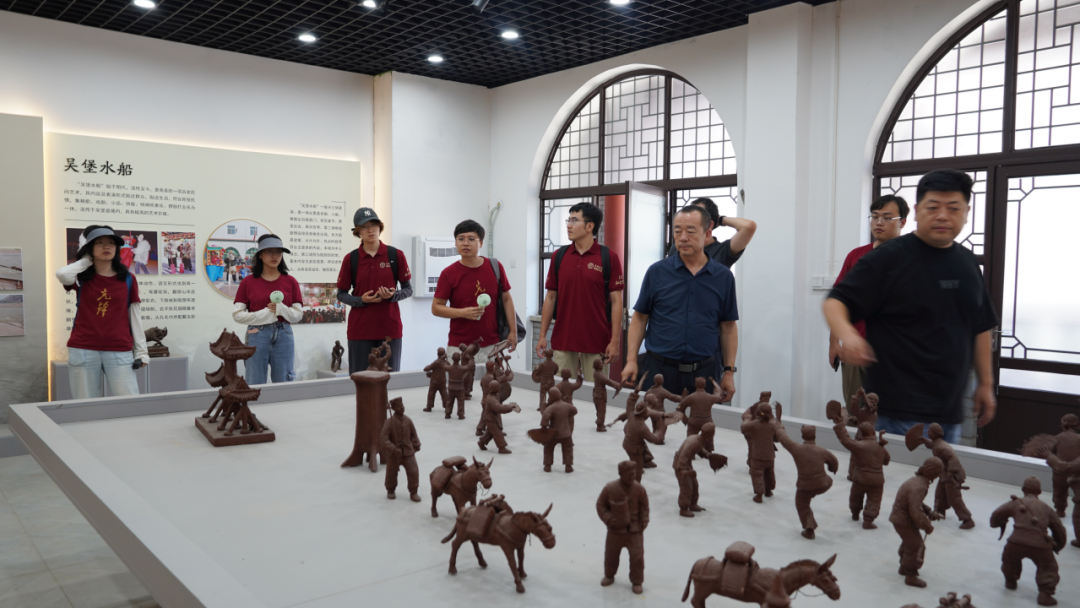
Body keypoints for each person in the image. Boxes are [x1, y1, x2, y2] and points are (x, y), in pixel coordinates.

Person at [824, 170, 999, 441]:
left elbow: (980, 326)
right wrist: (847, 336)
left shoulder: (967, 263)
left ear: (967, 213)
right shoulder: (888, 258)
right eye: (933, 207)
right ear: (917, 212)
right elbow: (835, 302)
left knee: (944, 468)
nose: (943, 216)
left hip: (948, 411)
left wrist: (986, 383)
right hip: (895, 411)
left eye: (953, 208)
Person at [622, 205, 738, 400]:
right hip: (659, 370)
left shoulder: (723, 277)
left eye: (690, 231)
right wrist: (631, 360)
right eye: (677, 231)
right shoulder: (657, 272)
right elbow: (640, 318)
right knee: (653, 418)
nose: (683, 238)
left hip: (705, 372)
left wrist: (728, 372)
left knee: (700, 419)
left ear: (707, 233)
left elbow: (728, 327)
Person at [665, 197, 755, 394]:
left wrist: (720, 219)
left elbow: (749, 226)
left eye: (697, 218)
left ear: (709, 225)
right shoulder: (678, 247)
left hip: (705, 341)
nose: (684, 234)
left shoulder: (723, 250)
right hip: (673, 340)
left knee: (702, 403)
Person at [828, 195, 908, 408]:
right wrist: (834, 342)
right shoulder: (856, 256)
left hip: (893, 354)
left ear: (902, 222)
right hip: (855, 349)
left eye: (887, 217)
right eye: (875, 217)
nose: (879, 222)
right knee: (856, 412)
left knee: (888, 415)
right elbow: (839, 301)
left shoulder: (910, 258)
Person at [55, 225, 149, 398]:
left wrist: (142, 351)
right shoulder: (81, 277)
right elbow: (62, 274)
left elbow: (134, 316)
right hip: (83, 348)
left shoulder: (128, 279)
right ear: (89, 248)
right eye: (99, 243)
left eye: (111, 243)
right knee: (84, 404)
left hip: (119, 348)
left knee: (129, 402)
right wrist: (87, 260)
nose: (106, 246)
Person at [536, 202, 624, 382]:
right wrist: (542, 335)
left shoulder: (609, 258)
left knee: (596, 394)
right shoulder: (559, 256)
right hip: (563, 340)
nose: (568, 225)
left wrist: (615, 341)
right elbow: (550, 298)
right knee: (560, 392)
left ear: (590, 226)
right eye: (568, 220)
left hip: (597, 341)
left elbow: (617, 302)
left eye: (574, 220)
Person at [336, 207, 412, 373]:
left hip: (389, 330)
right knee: (360, 379)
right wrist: (360, 300)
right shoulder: (351, 259)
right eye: (364, 226)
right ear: (358, 231)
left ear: (380, 227)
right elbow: (341, 294)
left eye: (374, 225)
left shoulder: (395, 255)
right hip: (360, 330)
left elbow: (408, 289)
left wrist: (393, 295)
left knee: (389, 380)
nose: (370, 230)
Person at [432, 220, 518, 361]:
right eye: (461, 239)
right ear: (455, 243)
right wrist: (463, 313)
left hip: (492, 344)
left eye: (471, 239)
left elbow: (507, 299)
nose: (465, 243)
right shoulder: (448, 273)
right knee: (459, 376)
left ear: (481, 243)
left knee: (493, 376)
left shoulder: (495, 267)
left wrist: (513, 331)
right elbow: (436, 308)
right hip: (460, 346)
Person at [232, 234, 302, 385]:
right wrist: (266, 313)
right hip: (256, 334)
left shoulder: (290, 281)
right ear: (260, 255)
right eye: (269, 251)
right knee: (254, 381)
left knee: (284, 382)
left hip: (284, 333)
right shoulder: (248, 282)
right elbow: (237, 315)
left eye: (278, 251)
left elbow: (298, 315)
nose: (275, 256)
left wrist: (281, 309)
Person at [989, 477, 1067, 606]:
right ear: (1039, 492)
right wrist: (1057, 546)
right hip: (1040, 545)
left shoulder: (1016, 503)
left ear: (1023, 489)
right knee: (1048, 567)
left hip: (1015, 542)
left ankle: (1010, 581)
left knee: (1010, 561)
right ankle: (1045, 594)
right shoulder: (1047, 508)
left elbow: (997, 514)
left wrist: (996, 524)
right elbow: (1059, 530)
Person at [774, 424, 838, 539]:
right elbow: (834, 462)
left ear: (802, 436)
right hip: (823, 484)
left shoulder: (796, 448)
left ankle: (809, 528)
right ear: (814, 436)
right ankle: (812, 494)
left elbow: (784, 439)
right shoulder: (822, 451)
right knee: (826, 480)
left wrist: (779, 426)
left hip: (805, 486)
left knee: (802, 504)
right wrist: (832, 469)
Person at [889, 456, 944, 588]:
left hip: (899, 518)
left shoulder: (916, 481)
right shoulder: (920, 486)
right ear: (932, 472)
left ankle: (903, 567)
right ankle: (911, 574)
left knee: (909, 542)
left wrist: (929, 512)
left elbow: (915, 503)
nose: (938, 475)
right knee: (916, 545)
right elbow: (915, 509)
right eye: (938, 472)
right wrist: (926, 525)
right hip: (903, 520)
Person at [597, 460, 650, 595]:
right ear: (621, 474)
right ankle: (609, 574)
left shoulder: (639, 489)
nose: (633, 476)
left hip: (634, 530)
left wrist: (644, 521)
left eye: (634, 473)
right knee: (611, 554)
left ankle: (637, 580)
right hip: (615, 530)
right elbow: (600, 505)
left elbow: (644, 507)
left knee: (637, 557)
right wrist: (609, 519)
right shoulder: (610, 488)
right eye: (629, 474)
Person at [380, 397, 421, 502]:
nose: (401, 408)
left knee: (413, 471)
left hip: (408, 451)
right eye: (398, 406)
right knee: (391, 472)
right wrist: (393, 449)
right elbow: (384, 438)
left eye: (402, 405)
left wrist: (416, 444)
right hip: (394, 454)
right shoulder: (389, 422)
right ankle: (390, 490)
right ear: (393, 408)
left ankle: (413, 491)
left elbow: (414, 434)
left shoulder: (408, 420)